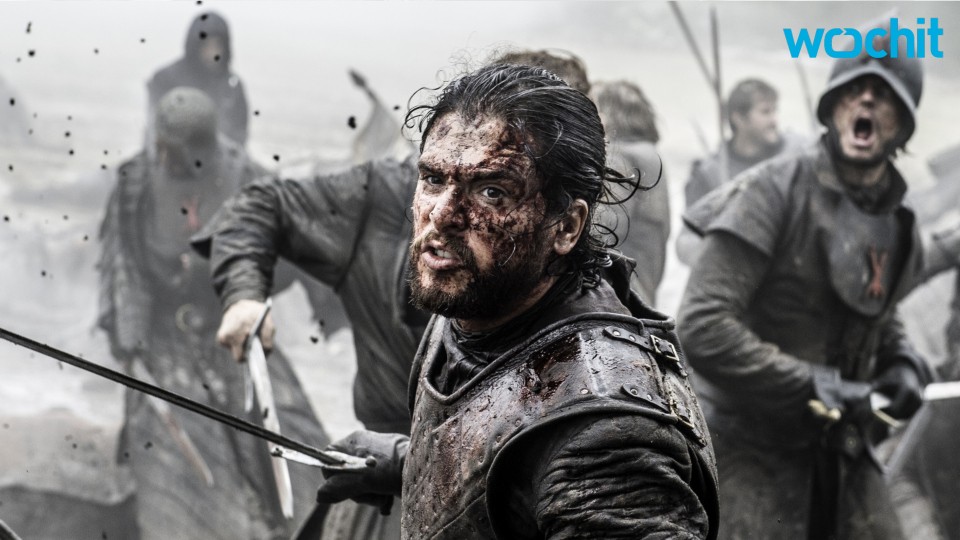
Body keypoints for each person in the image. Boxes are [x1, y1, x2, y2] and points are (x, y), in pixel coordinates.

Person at [313, 63, 719, 539]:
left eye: (491, 191)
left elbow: (557, 453)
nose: (441, 215)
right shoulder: (480, 298)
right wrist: (405, 462)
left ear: (566, 226)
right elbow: (513, 459)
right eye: (433, 179)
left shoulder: (606, 439)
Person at [677, 29, 932, 539]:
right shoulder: (773, 191)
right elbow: (702, 324)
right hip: (751, 446)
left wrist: (903, 358)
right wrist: (811, 382)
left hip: (843, 447)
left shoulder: (896, 217)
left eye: (883, 95)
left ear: (902, 124)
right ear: (832, 107)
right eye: (853, 90)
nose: (866, 101)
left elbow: (874, 309)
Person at [98, 87, 326, 539]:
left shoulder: (251, 179)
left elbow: (286, 259)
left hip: (232, 324)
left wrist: (216, 271)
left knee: (287, 425)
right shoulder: (136, 182)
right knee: (176, 448)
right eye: (162, 146)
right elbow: (123, 265)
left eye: (176, 149)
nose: (166, 157)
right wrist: (130, 342)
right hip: (162, 335)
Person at [591, 80, 670, 305]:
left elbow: (605, 228)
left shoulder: (619, 156)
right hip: (643, 276)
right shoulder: (650, 154)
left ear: (610, 113)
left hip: (618, 283)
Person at [684, 78, 803, 209]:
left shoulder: (796, 155)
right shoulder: (710, 174)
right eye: (765, 112)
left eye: (775, 110)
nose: (774, 121)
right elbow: (694, 219)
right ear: (739, 118)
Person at [148, 12, 249, 146]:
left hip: (219, 156)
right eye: (206, 45)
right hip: (172, 154)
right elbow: (154, 132)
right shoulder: (165, 78)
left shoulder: (233, 86)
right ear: (194, 45)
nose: (212, 52)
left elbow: (239, 136)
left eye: (217, 45)